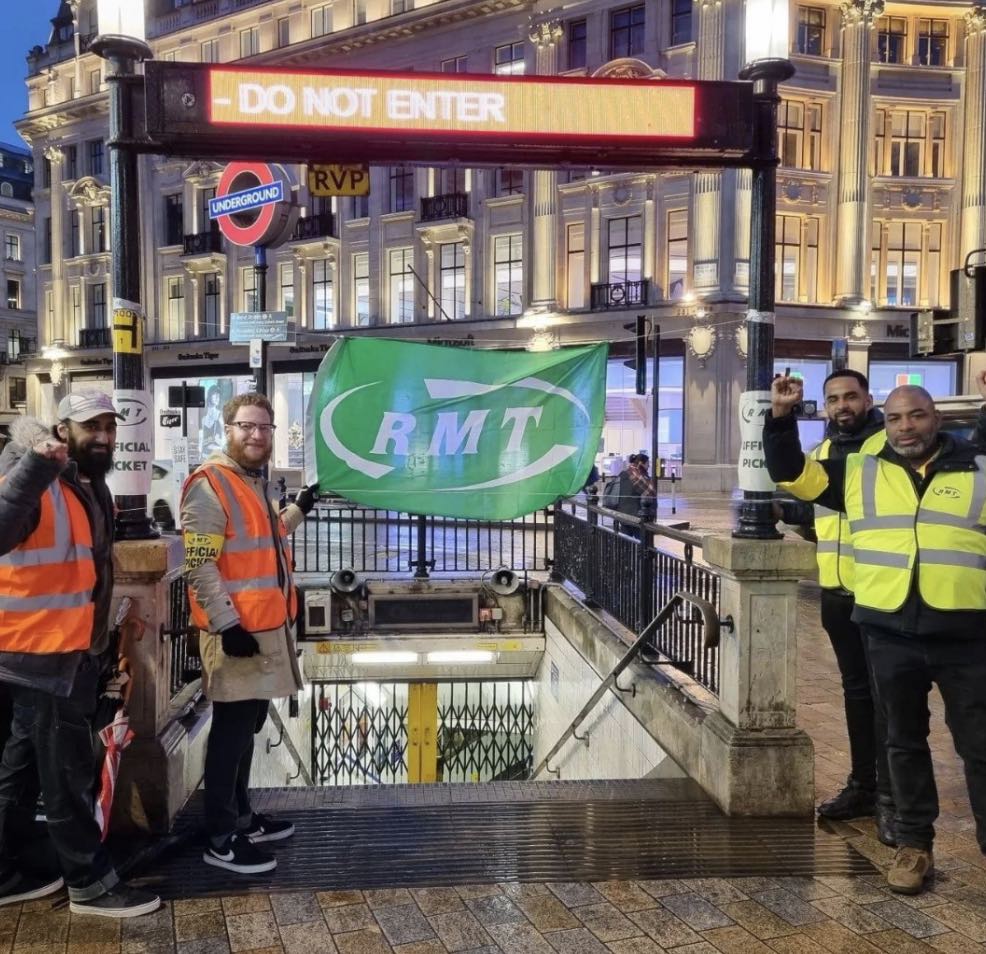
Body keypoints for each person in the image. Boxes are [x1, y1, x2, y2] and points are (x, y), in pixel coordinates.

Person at [764, 376, 986, 896]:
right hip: (889, 628)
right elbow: (791, 474)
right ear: (884, 424)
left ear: (936, 418)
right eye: (895, 419)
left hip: (965, 631)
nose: (906, 427)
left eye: (917, 416)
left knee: (980, 746)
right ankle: (913, 846)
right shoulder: (860, 470)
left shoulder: (976, 468)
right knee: (902, 743)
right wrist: (780, 416)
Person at [0, 390, 161, 917]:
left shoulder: (91, 486)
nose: (105, 437)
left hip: (61, 647)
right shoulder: (36, 472)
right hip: (41, 649)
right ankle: (88, 885)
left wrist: (111, 627)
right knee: (65, 772)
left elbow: (89, 572)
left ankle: (7, 870)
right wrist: (33, 470)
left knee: (23, 764)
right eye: (92, 427)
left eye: (111, 428)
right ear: (63, 429)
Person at [180, 393, 319, 875]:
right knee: (231, 733)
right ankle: (221, 837)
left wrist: (300, 509)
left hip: (263, 630)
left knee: (248, 730)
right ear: (228, 428)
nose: (256, 435)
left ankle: (241, 817)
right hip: (236, 633)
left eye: (264, 427)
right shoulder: (209, 485)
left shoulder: (248, 483)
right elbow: (200, 564)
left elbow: (267, 540)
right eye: (246, 426)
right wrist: (226, 624)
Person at [773, 370, 896, 843]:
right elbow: (821, 510)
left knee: (890, 703)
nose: (842, 406)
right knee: (857, 696)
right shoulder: (823, 454)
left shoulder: (888, 449)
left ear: (868, 399)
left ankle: (892, 799)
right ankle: (863, 786)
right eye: (833, 399)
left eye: (850, 397)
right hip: (837, 594)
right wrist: (785, 511)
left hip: (883, 597)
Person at [199, 385, 224, 460]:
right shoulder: (203, 419)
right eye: (215, 395)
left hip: (217, 456)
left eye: (218, 396)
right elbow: (201, 439)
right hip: (204, 456)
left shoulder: (220, 416)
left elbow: (225, 438)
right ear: (210, 396)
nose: (217, 398)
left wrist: (218, 441)